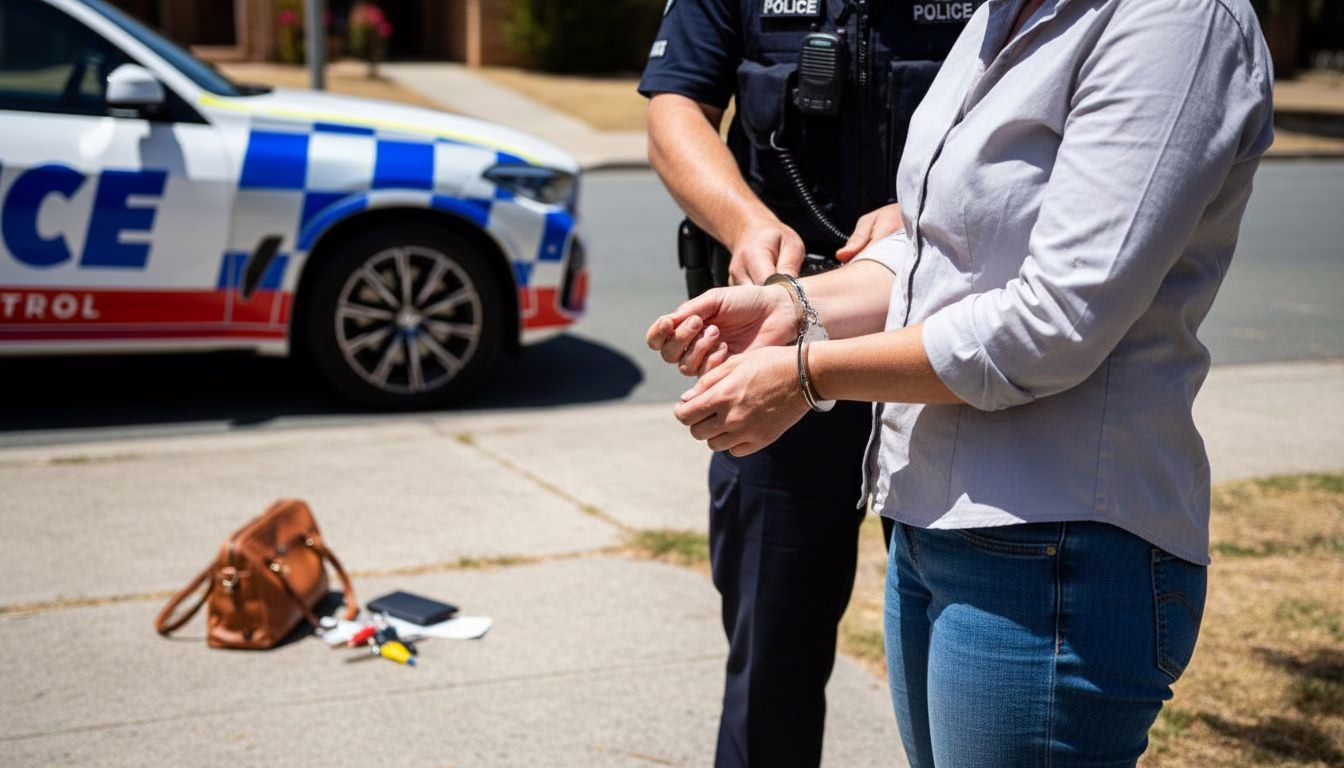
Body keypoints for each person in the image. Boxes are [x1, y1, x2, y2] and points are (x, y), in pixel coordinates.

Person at [647, 0, 1275, 764]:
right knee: (771, 668)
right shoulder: (1001, 14)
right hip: (938, 520)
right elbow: (938, 249)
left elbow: (1056, 322)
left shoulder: (1176, 19)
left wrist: (808, 371)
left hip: (1054, 542)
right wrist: (795, 306)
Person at [637, 1, 969, 765]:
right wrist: (745, 222)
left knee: (958, 651)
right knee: (771, 657)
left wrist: (923, 214)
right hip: (776, 342)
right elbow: (675, 108)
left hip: (939, 360)